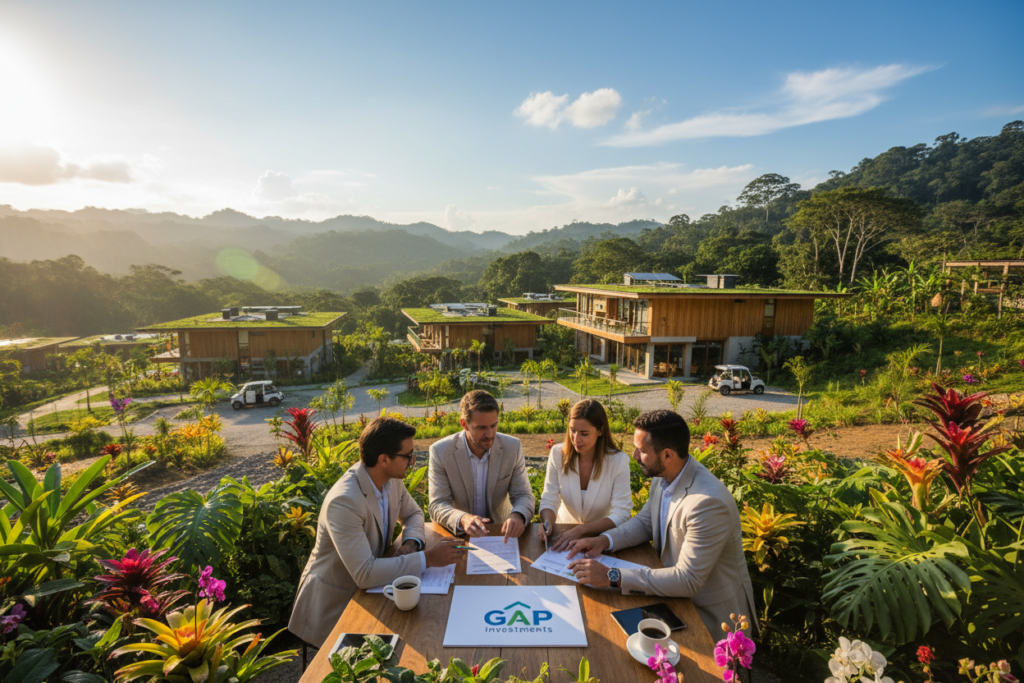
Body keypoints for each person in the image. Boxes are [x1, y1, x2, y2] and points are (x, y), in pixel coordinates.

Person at [566, 409, 757, 636]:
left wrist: (612, 576)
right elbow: (646, 522)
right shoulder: (665, 476)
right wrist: (603, 540)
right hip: (668, 597)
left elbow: (687, 580)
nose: (635, 456)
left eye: (641, 451)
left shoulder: (707, 503)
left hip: (709, 619)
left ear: (667, 455)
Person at [289, 417, 464, 647]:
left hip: (376, 591)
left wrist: (411, 544)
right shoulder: (344, 501)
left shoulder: (391, 479)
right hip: (336, 606)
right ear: (384, 459)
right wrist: (428, 558)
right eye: (408, 456)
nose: (412, 461)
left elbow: (413, 514)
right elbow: (365, 574)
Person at [428, 390, 536, 541]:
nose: (490, 434)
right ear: (464, 424)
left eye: (493, 425)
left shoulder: (512, 447)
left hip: (502, 534)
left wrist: (518, 515)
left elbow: (524, 495)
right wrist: (463, 519)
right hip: (460, 536)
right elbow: (437, 504)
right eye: (481, 428)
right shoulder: (441, 451)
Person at [536, 399, 632, 551]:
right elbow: (549, 498)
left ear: (600, 431)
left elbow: (622, 514)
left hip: (600, 540)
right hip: (562, 538)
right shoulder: (557, 454)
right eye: (572, 430)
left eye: (584, 433)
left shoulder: (618, 461)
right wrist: (547, 523)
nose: (576, 439)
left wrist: (582, 530)